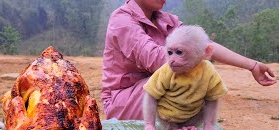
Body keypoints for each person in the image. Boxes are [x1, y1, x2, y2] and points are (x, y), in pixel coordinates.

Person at [101, 0, 277, 120]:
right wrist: (194, 55)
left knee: (195, 77)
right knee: (187, 76)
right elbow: (158, 60)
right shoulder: (122, 20)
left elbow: (203, 44)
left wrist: (252, 65)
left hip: (154, 91)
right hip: (122, 101)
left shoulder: (166, 20)